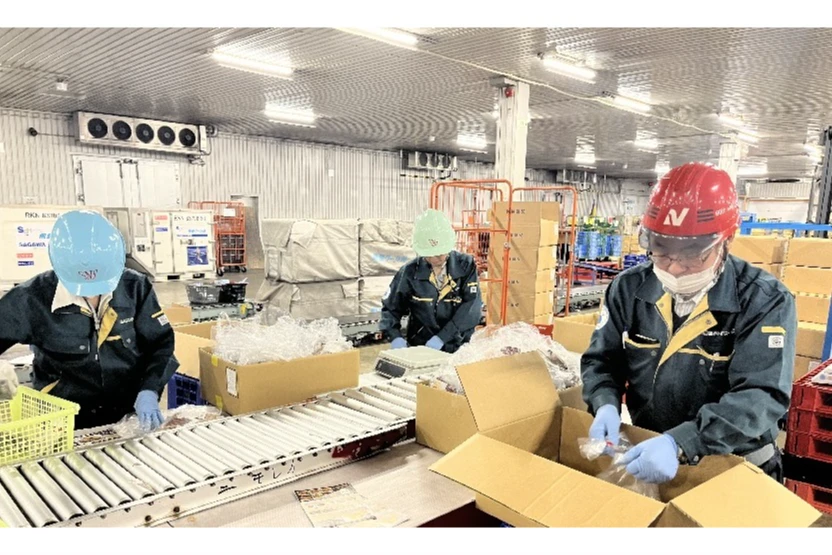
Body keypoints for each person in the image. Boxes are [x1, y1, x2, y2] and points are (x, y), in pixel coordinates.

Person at [582, 162, 795, 484]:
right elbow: (602, 360)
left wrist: (682, 442)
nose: (675, 267)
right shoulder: (629, 289)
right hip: (651, 457)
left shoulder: (764, 300)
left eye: (693, 255)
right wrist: (604, 404)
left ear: (727, 240)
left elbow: (761, 395)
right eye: (662, 251)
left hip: (735, 467)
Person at [0, 210, 178, 430]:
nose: (94, 293)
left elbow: (160, 343)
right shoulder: (31, 299)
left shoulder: (135, 288)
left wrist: (150, 389)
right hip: (60, 421)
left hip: (126, 416)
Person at [380, 209, 482, 353]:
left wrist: (442, 337)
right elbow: (391, 308)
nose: (437, 258)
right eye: (431, 254)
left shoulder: (465, 266)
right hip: (421, 346)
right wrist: (395, 336)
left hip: (458, 344)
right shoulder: (410, 272)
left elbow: (471, 307)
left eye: (441, 253)